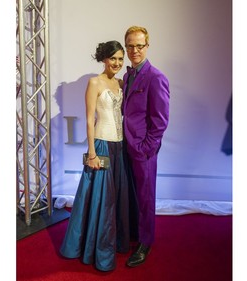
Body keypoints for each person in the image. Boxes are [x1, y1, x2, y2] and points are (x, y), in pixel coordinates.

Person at [60, 40, 130, 272]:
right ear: (104, 59)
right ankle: (96, 250)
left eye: (121, 59)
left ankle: (114, 241)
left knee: (114, 197)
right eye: (113, 58)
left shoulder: (120, 83)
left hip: (119, 147)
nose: (117, 63)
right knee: (102, 199)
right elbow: (90, 119)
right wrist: (91, 152)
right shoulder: (94, 82)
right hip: (100, 145)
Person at [122, 26, 170, 267]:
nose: (134, 50)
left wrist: (146, 147)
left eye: (139, 45)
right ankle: (135, 233)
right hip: (125, 146)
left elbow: (160, 121)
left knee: (145, 196)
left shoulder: (156, 77)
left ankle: (145, 242)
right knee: (132, 194)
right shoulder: (128, 75)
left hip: (143, 150)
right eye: (130, 45)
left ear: (147, 46)